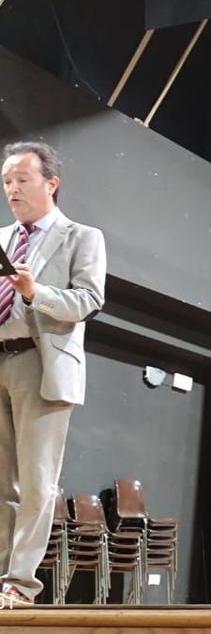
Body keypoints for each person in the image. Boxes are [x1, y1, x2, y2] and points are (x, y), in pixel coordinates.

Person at [0, 141, 106, 606]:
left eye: (22, 179)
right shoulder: (3, 236)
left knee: (37, 483)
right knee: (1, 484)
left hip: (41, 365)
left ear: (51, 183)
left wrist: (33, 291)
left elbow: (87, 300)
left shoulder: (82, 236)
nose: (12, 189)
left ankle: (20, 585)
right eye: (6, 181)